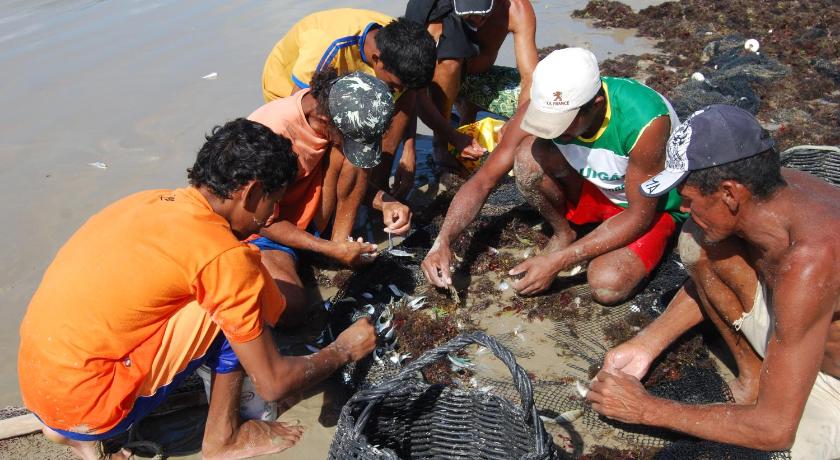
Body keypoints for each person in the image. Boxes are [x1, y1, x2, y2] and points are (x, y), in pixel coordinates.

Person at [18, 119, 377, 460]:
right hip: (88, 404)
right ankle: (224, 438)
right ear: (251, 194)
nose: (270, 217)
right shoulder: (223, 257)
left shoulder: (152, 200)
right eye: (272, 203)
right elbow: (272, 384)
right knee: (238, 303)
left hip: (41, 382)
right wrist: (343, 350)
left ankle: (70, 429)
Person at [588, 105, 840, 458]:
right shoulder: (774, 189)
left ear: (729, 193)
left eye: (689, 200)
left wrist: (645, 408)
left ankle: (769, 404)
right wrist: (647, 344)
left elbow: (775, 431)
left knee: (781, 446)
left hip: (830, 381)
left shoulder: (810, 262)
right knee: (696, 238)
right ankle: (754, 384)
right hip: (799, 328)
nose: (685, 209)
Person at [422, 47, 685, 304]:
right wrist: (443, 241)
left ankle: (572, 246)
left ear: (595, 104)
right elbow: (482, 181)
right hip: (595, 186)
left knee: (607, 285)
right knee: (527, 156)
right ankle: (564, 232)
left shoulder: (644, 121)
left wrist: (559, 262)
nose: (554, 131)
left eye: (563, 125)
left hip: (646, 207)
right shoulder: (546, 103)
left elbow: (640, 215)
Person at [249, 70, 409, 317]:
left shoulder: (338, 118)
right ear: (325, 119)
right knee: (290, 307)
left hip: (311, 216)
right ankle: (332, 250)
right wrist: (324, 248)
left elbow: (352, 176)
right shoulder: (272, 135)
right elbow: (258, 221)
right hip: (267, 231)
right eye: (348, 138)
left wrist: (386, 202)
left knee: (350, 156)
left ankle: (339, 242)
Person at [261, 9, 437, 199]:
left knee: (360, 149)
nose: (396, 90)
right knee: (333, 158)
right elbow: (297, 115)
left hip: (346, 85)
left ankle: (378, 188)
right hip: (291, 90)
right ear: (376, 60)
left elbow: (408, 94)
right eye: (394, 85)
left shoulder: (401, 42)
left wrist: (409, 151)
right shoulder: (328, 48)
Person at [405, 0, 538, 173]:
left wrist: (515, 124)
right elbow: (411, 79)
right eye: (470, 15)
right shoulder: (435, 7)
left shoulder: (517, 10)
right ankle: (440, 144)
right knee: (450, 62)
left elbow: (530, 78)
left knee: (543, 97)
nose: (476, 18)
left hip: (479, 78)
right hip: (439, 79)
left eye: (482, 15)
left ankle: (467, 118)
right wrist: (410, 147)